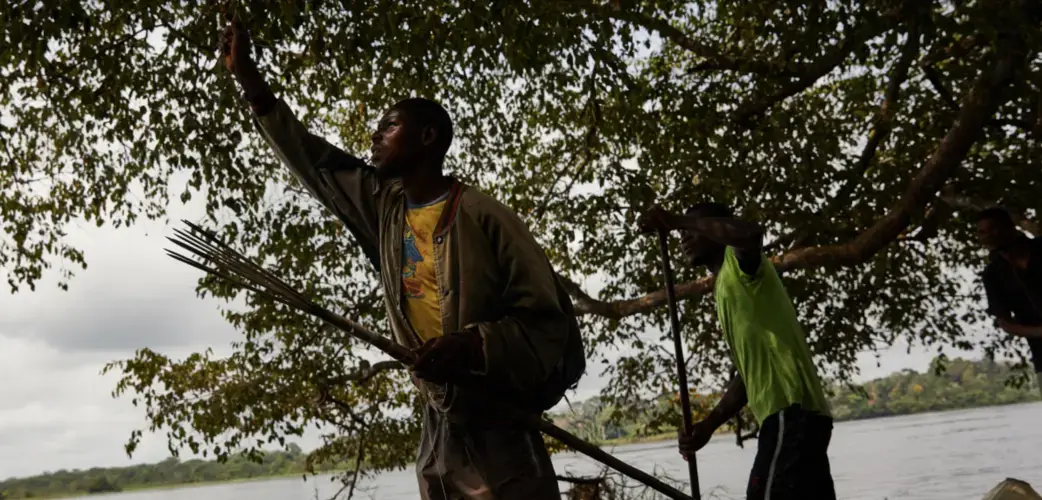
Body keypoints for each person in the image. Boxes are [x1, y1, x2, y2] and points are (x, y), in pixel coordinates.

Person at [219, 19, 584, 500]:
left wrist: (472, 346)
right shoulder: (385, 208)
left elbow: (547, 324)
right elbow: (312, 160)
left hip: (502, 421)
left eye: (389, 126)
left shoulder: (483, 215)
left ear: (428, 136)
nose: (374, 136)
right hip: (440, 418)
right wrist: (250, 80)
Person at [639, 203, 835, 500]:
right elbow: (748, 377)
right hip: (801, 417)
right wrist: (708, 426)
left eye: (694, 228)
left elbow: (751, 233)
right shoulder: (725, 288)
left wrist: (675, 220)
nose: (684, 237)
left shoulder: (741, 264)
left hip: (789, 410)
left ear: (718, 230)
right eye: (683, 232)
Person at [977, 207, 1042, 394]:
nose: (988, 236)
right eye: (982, 232)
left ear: (1008, 227)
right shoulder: (993, 274)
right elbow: (1006, 323)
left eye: (993, 229)